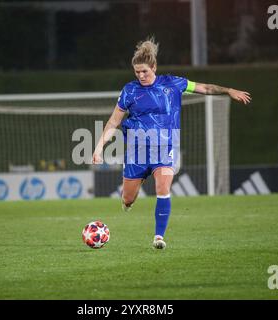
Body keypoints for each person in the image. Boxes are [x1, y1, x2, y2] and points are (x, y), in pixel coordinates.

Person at [92, 38, 251, 249]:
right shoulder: (129, 90)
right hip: (136, 151)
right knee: (128, 198)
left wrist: (228, 90)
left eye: (144, 72)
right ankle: (126, 202)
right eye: (137, 72)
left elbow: (204, 88)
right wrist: (99, 147)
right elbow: (114, 121)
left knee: (163, 186)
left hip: (165, 148)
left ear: (154, 67)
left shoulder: (173, 84)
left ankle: (159, 236)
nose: (141, 76)